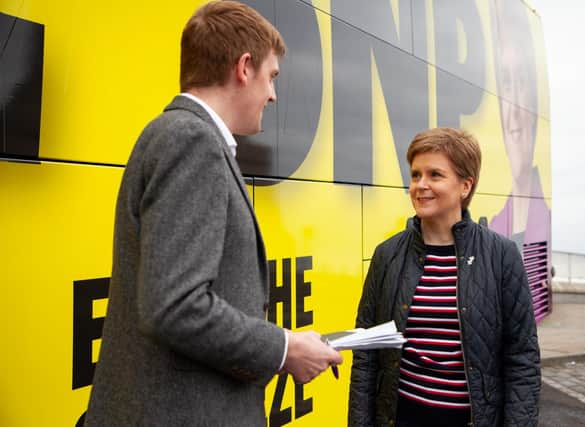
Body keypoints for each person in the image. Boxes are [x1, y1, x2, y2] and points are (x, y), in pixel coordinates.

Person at [85, 2, 342, 426]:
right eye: (271, 76)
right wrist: (283, 348)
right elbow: (176, 305)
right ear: (244, 68)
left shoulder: (180, 135)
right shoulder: (192, 141)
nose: (273, 94)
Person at [348, 128, 540, 427]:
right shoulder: (387, 255)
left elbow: (522, 358)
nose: (420, 185)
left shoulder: (501, 255)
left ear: (465, 186)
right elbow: (366, 356)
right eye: (415, 175)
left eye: (435, 175)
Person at [489, 0, 551, 253]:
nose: (513, 111)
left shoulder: (544, 220)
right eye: (505, 83)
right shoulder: (493, 224)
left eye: (522, 82)